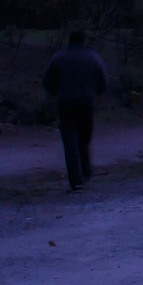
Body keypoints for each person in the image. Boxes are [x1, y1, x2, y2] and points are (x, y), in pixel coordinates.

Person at [42, 30, 107, 192]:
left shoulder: (59, 58)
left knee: (70, 141)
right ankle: (85, 171)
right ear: (84, 40)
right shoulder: (93, 57)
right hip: (86, 102)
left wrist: (56, 93)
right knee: (85, 139)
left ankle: (76, 180)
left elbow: (48, 81)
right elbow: (103, 81)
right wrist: (95, 93)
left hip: (66, 103)